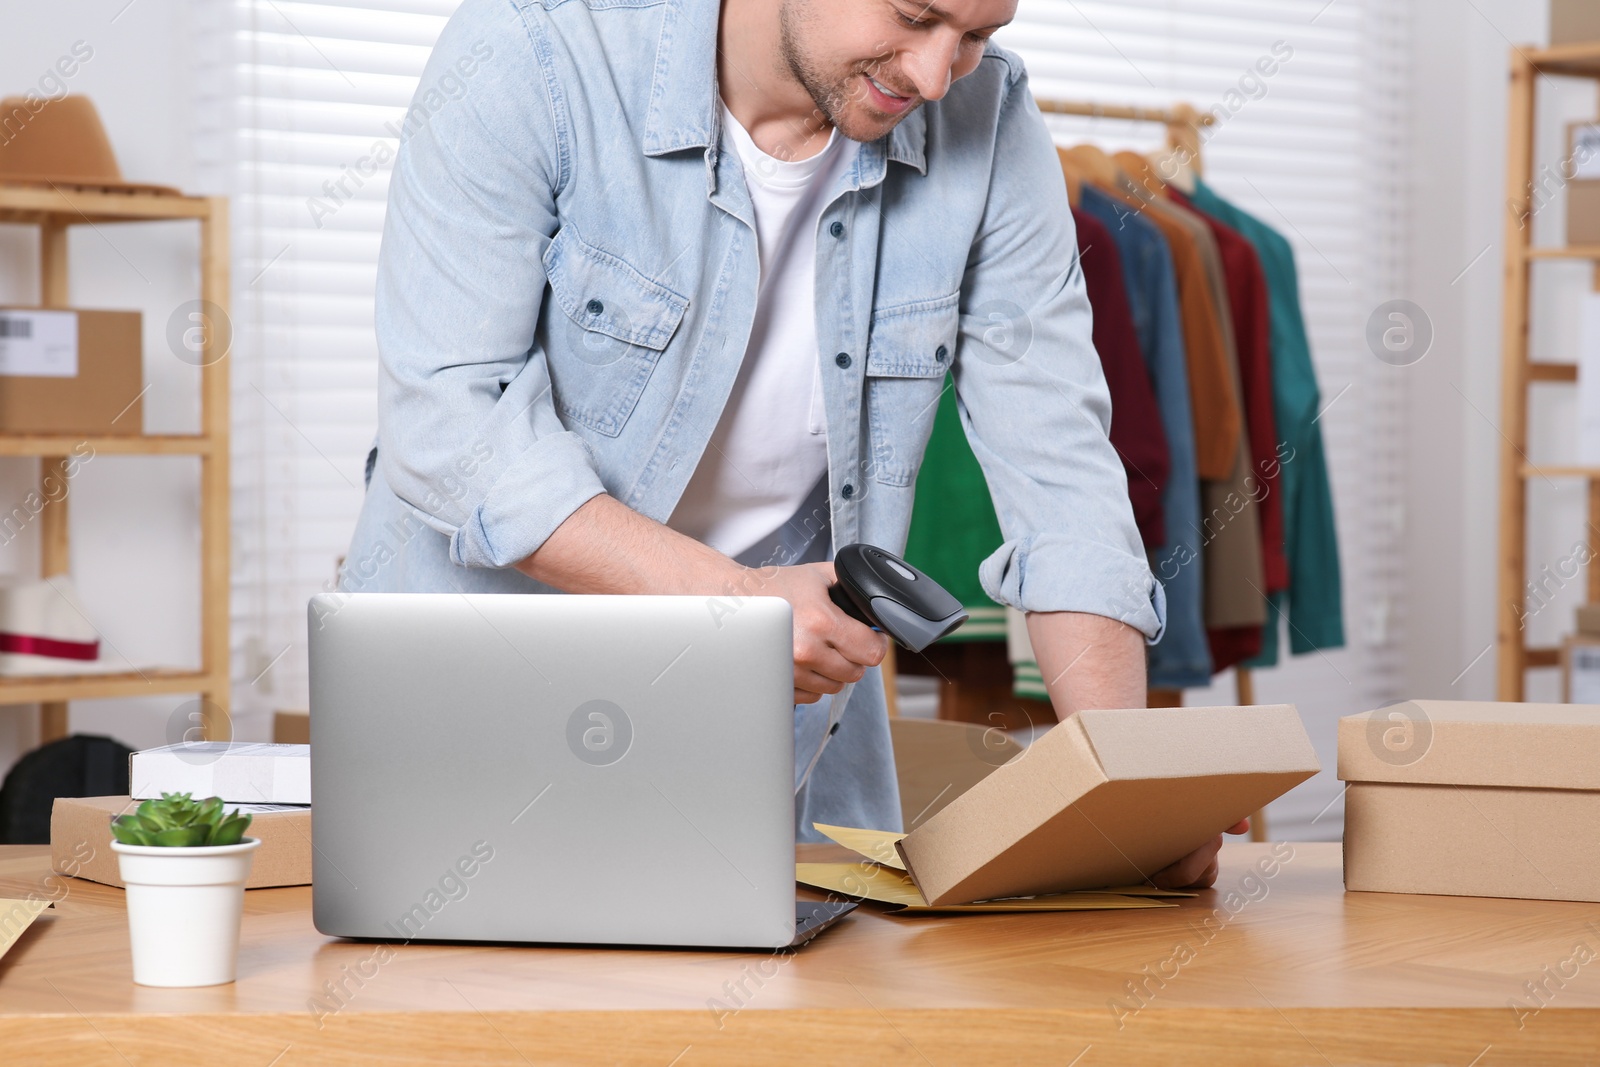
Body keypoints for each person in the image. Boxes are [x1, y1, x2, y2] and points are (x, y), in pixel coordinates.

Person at [341, 0, 1243, 887]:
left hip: (783, 738)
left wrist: (1124, 787)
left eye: (977, 35)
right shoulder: (532, 50)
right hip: (483, 719)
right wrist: (735, 603)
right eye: (914, 15)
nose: (934, 75)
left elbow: (1062, 468)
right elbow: (449, 424)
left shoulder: (987, 116)